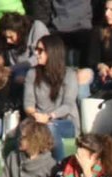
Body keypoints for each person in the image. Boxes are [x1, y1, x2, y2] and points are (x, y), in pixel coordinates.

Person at [24, 34, 80, 162]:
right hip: (37, 120)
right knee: (27, 130)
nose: (37, 54)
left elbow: (68, 105)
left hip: (65, 122)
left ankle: (62, 168)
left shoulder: (69, 75)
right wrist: (36, 115)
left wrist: (49, 116)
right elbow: (28, 103)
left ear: (52, 52)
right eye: (36, 50)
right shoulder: (32, 74)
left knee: (51, 127)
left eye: (41, 50)